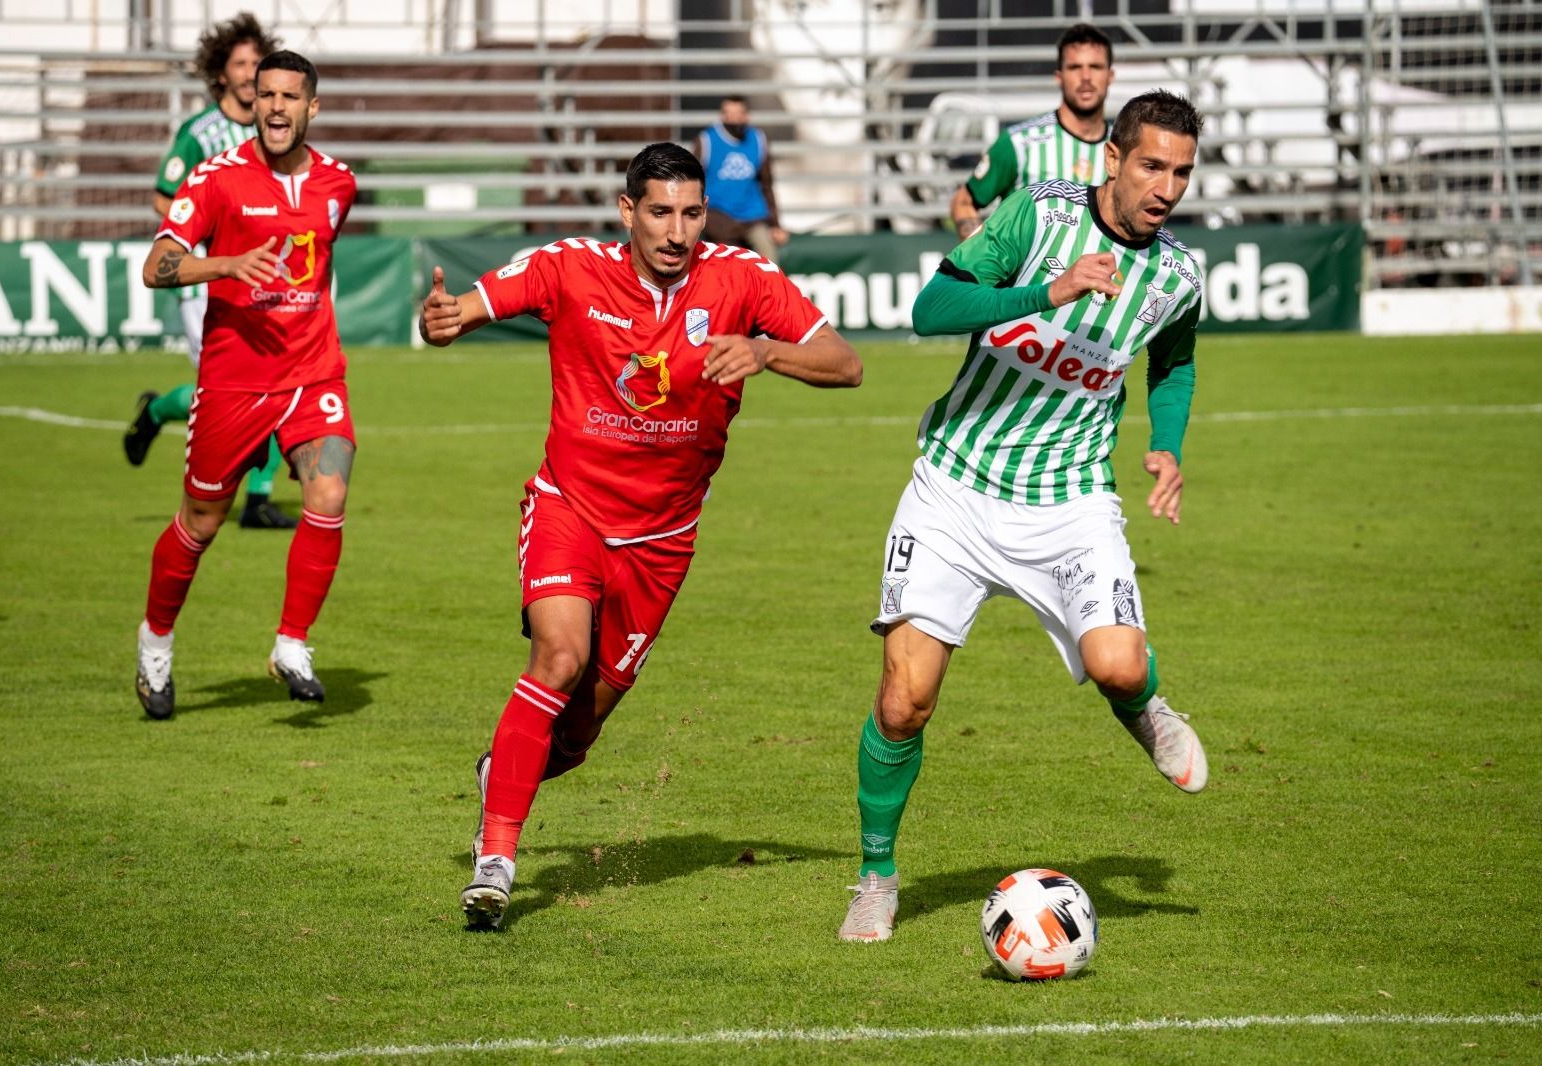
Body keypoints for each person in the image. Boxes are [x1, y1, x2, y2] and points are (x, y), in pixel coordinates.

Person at [418, 142, 862, 930]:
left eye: (691, 213)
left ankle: (505, 771)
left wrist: (766, 351)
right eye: (660, 212)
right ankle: (496, 863)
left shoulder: (742, 278)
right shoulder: (572, 266)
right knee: (559, 657)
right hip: (571, 509)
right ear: (628, 211)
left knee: (580, 728)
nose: (676, 230)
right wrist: (449, 320)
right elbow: (473, 307)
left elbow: (844, 362)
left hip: (663, 539)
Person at [839, 90, 1209, 943]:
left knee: (1119, 667)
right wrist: (1047, 290)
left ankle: (1147, 709)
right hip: (956, 489)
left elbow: (1175, 364)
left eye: (1182, 172)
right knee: (904, 701)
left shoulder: (1179, 273)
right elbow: (930, 312)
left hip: (1070, 498)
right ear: (1113, 159)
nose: (1165, 187)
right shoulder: (1034, 219)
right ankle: (876, 877)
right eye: (1151, 164)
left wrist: (1170, 443)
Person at [133, 50, 357, 720]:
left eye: (291, 96)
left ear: (312, 107)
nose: (277, 107)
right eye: (267, 95)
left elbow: (317, 268)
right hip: (235, 382)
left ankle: (291, 644)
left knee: (330, 487)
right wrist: (229, 264)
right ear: (253, 102)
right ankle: (156, 640)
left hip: (313, 370)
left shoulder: (339, 183)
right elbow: (156, 265)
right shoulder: (216, 179)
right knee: (200, 523)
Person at [124, 12, 297, 530]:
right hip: (206, 280)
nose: (249, 73)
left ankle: (258, 499)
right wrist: (207, 241)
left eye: (255, 63)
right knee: (222, 392)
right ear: (220, 74)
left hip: (265, 276)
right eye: (239, 64)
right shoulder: (200, 133)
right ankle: (156, 412)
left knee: (271, 382)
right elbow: (163, 196)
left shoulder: (276, 130)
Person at [950, 23, 1116, 240]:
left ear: (1110, 75)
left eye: (1095, 67)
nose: (1085, 77)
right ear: (1059, 76)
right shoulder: (1020, 143)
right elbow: (963, 203)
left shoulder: (1122, 150)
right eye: (1075, 67)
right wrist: (985, 261)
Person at [695, 96, 789, 261]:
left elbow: (766, 183)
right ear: (722, 116)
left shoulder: (758, 139)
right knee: (728, 263)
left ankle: (768, 287)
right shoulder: (707, 140)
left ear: (746, 116)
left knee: (769, 260)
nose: (734, 119)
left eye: (738, 113)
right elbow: (693, 182)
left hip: (752, 216)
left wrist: (775, 224)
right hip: (719, 216)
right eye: (729, 114)